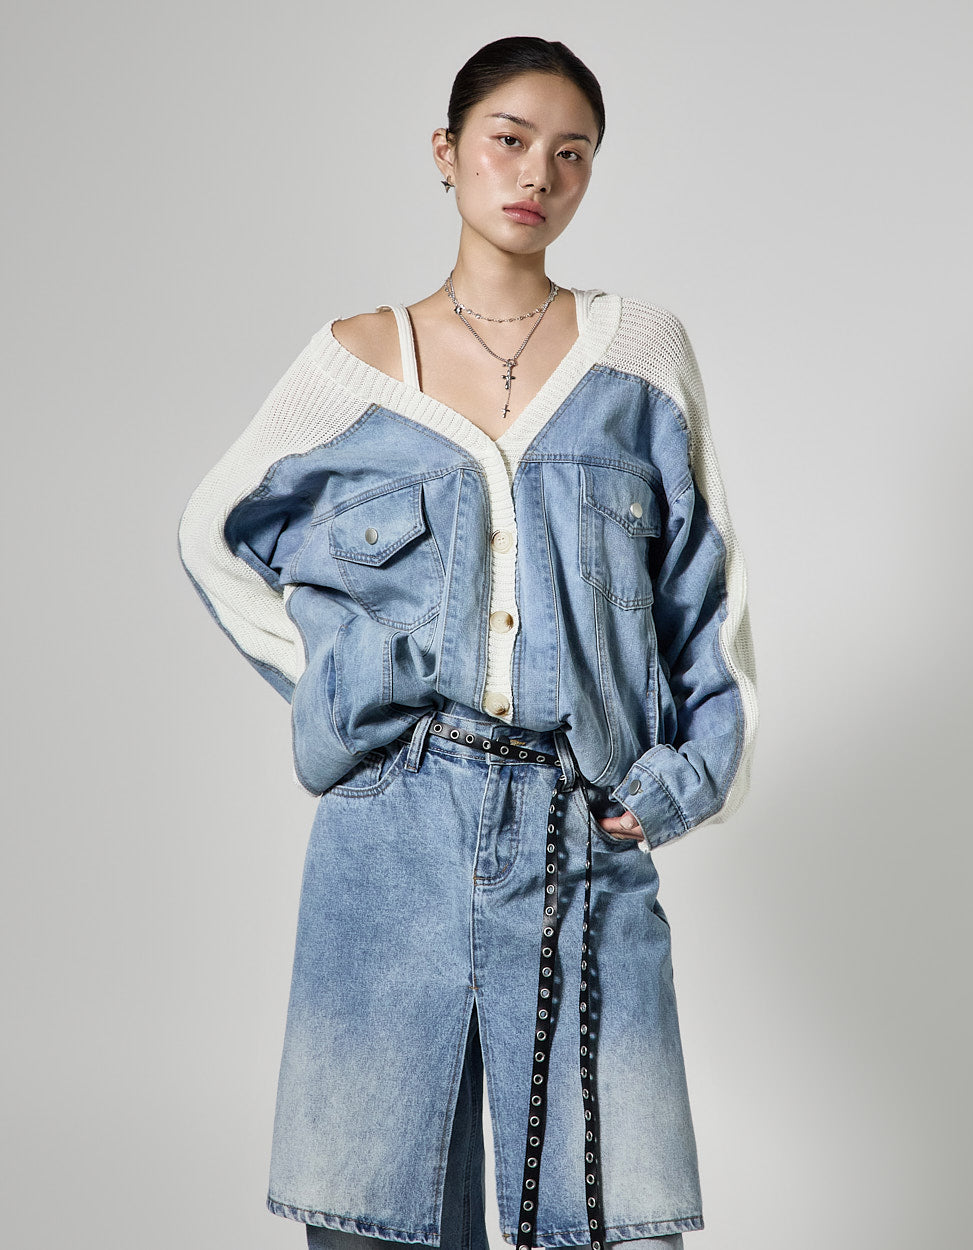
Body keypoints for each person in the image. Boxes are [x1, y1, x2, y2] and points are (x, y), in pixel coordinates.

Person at [176, 34, 758, 1250]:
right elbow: (210, 534)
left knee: (617, 1222)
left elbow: (707, 600)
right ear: (446, 152)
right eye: (509, 139)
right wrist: (347, 686)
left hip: (576, 835)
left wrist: (681, 779)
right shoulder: (349, 364)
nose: (536, 172)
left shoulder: (639, 357)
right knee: (374, 1220)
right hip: (393, 833)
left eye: (571, 153)